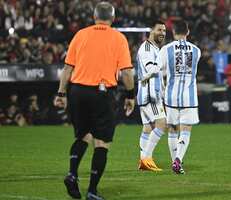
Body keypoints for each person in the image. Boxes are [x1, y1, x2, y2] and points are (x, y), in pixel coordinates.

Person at [54, 2, 134, 200]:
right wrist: (131, 95)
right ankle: (92, 191)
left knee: (83, 136)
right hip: (102, 93)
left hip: (77, 92)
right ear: (112, 18)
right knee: (102, 142)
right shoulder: (118, 38)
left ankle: (72, 174)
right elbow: (126, 71)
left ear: (94, 17)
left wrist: (61, 94)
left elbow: (67, 68)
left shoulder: (80, 35)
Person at [158, 20, 201, 174]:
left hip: (171, 96)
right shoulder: (197, 51)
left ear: (173, 32)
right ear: (188, 32)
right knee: (186, 130)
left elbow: (159, 71)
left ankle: (174, 161)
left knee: (173, 130)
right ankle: (178, 160)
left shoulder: (166, 50)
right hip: (189, 97)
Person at [136, 20, 167, 171]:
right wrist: (162, 63)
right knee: (162, 124)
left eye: (164, 31)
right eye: (159, 30)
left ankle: (143, 161)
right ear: (151, 31)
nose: (162, 33)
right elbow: (150, 70)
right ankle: (146, 159)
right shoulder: (147, 48)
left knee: (148, 128)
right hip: (150, 95)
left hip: (150, 93)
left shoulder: (155, 49)